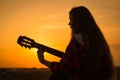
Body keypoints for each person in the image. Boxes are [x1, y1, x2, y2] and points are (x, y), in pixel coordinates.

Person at [37, 6, 115, 80]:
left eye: (71, 19)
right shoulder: (98, 40)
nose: (69, 23)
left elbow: (61, 68)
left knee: (55, 77)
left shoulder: (76, 43)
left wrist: (42, 60)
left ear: (77, 22)